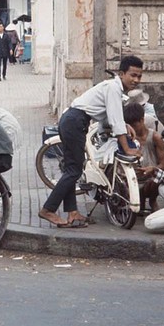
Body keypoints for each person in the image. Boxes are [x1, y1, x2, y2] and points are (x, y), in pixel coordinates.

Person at [38, 55, 143, 228]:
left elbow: (111, 118)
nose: (136, 80)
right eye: (133, 75)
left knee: (72, 169)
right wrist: (127, 148)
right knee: (73, 170)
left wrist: (124, 125)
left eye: (139, 76)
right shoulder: (113, 88)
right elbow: (116, 122)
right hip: (75, 121)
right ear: (122, 73)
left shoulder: (113, 88)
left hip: (74, 120)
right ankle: (48, 209)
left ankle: (72, 213)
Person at [122, 102, 164, 212]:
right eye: (129, 126)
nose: (131, 129)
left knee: (156, 180)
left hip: (150, 178)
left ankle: (152, 200)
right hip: (132, 178)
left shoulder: (155, 137)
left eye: (134, 125)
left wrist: (152, 169)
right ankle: (139, 201)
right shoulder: (126, 138)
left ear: (142, 120)